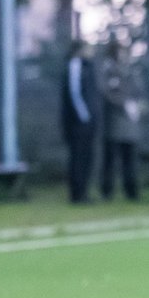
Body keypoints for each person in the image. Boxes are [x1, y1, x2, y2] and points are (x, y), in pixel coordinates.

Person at [98, 42, 145, 202]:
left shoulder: (131, 70)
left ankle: (131, 191)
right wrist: (124, 104)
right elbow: (107, 92)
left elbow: (139, 90)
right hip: (114, 123)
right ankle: (107, 191)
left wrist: (138, 104)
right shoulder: (108, 70)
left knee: (129, 160)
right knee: (110, 160)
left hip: (131, 125)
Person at [60, 40, 98, 204]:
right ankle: (77, 194)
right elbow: (74, 94)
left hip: (88, 121)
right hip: (78, 123)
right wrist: (84, 116)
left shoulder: (88, 66)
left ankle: (84, 193)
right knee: (78, 157)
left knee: (87, 157)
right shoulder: (74, 65)